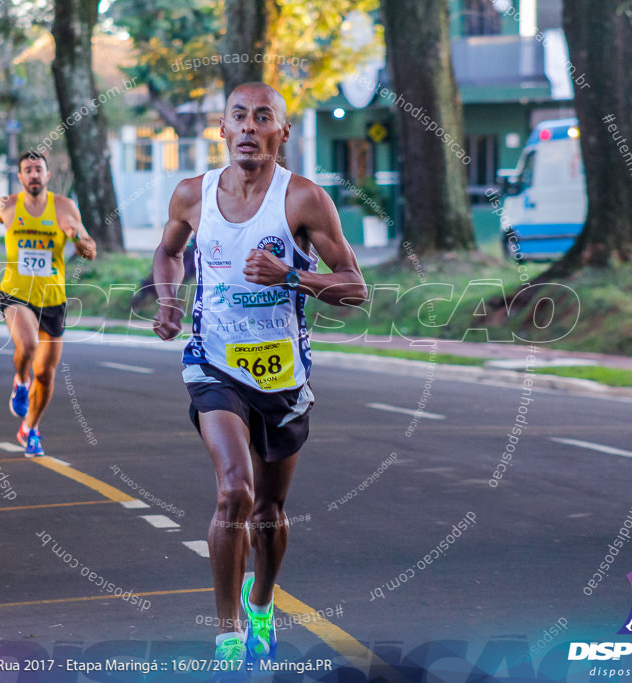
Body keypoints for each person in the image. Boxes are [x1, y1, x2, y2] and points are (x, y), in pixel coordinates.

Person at [152, 83, 367, 668]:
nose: (249, 127)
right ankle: (227, 633)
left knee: (269, 513)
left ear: (283, 132)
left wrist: (291, 277)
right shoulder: (192, 195)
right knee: (234, 493)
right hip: (213, 364)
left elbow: (355, 289)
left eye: (263, 117)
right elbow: (168, 251)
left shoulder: (303, 200)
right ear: (221, 129)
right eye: (238, 117)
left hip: (282, 376)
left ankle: (263, 602)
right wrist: (169, 300)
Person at [0, 150, 97, 456]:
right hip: (16, 294)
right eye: (28, 170)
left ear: (47, 175)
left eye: (39, 169)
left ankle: (31, 427)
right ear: (20, 177)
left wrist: (77, 238)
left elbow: (90, 250)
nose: (34, 175)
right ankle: (18, 380)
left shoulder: (64, 207)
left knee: (47, 374)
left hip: (52, 299)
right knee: (27, 346)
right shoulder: (7, 205)